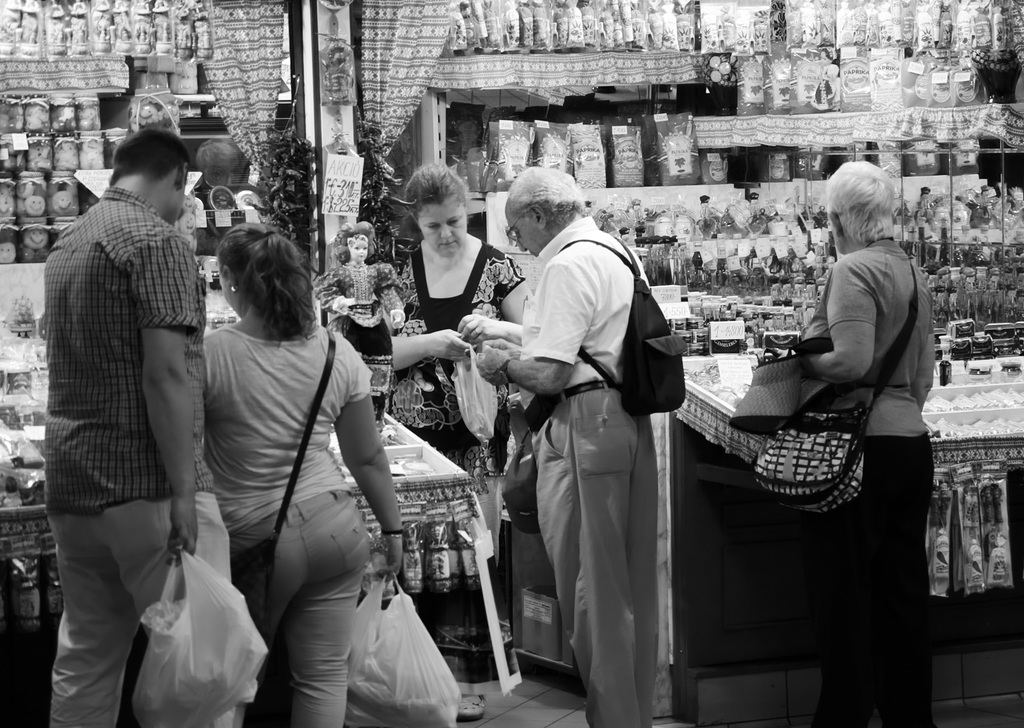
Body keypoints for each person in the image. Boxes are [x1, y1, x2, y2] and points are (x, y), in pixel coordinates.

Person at [45, 127, 233, 727]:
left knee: (86, 659)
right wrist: (184, 489)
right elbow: (166, 376)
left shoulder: (67, 244)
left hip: (73, 483)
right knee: (204, 666)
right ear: (176, 179)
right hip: (148, 487)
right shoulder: (157, 242)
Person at [476, 167, 659, 728]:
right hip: (625, 421)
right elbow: (584, 344)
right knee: (629, 582)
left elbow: (552, 373)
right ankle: (632, 714)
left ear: (537, 215)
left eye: (515, 228)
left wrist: (500, 362)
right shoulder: (614, 250)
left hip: (585, 426)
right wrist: (506, 333)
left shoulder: (565, 263)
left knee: (591, 589)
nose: (515, 241)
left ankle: (615, 721)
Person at [203, 223, 403, 728]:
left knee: (231, 677)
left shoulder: (215, 353)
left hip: (255, 538)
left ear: (232, 281)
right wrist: (394, 529)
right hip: (335, 528)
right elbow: (368, 458)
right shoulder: (336, 351)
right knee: (323, 677)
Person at [797, 161, 936, 728]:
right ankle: (910, 719)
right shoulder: (913, 271)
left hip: (856, 455)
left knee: (844, 597)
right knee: (903, 595)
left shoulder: (852, 270)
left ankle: (843, 720)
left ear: (837, 218)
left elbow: (850, 360)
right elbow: (924, 376)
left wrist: (801, 356)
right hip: (908, 444)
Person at [391, 163, 528, 721]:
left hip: (476, 441)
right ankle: (415, 674)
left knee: (468, 556)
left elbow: (532, 343)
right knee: (416, 560)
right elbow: (379, 353)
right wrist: (428, 342)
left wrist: (492, 334)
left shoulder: (499, 269)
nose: (446, 235)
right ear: (415, 226)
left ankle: (463, 678)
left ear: (468, 211)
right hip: (413, 445)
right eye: (432, 227)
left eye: (454, 221)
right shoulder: (398, 274)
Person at [316, 220, 405, 422]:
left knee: (379, 365)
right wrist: (339, 301)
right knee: (347, 368)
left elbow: (387, 290)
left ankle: (375, 415)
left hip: (374, 324)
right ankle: (345, 414)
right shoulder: (340, 273)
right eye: (356, 248)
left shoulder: (376, 271)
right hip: (349, 325)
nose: (361, 252)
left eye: (364, 248)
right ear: (347, 248)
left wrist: (396, 310)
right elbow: (325, 291)